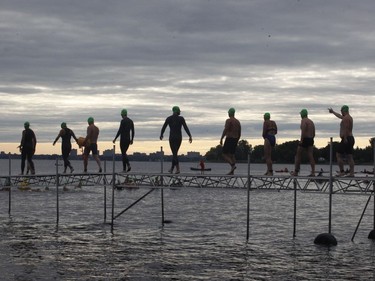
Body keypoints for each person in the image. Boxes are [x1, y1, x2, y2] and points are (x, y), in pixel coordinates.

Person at [160, 106, 192, 174]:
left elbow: (163, 127)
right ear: (177, 111)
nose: (180, 112)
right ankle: (172, 169)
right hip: (179, 138)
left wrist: (161, 134)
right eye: (179, 111)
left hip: (172, 138)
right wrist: (190, 135)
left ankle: (177, 169)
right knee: (175, 153)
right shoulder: (181, 119)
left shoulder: (169, 118)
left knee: (174, 153)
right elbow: (185, 127)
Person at [328, 105, 355, 177]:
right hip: (351, 138)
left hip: (346, 138)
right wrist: (333, 112)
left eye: (341, 111)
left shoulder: (346, 118)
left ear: (344, 110)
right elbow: (339, 116)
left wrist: (345, 138)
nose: (341, 112)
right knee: (349, 156)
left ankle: (342, 171)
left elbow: (346, 128)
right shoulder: (349, 117)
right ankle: (352, 173)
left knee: (338, 154)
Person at [291, 109, 316, 176]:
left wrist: (301, 140)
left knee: (298, 155)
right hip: (311, 139)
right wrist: (311, 138)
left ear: (302, 114)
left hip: (305, 139)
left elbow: (303, 131)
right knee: (310, 155)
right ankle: (313, 172)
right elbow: (314, 133)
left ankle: (296, 171)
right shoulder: (311, 121)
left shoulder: (303, 121)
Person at [220, 108, 241, 175]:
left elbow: (226, 129)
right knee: (232, 155)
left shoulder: (229, 120)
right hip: (235, 138)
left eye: (228, 113)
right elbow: (239, 132)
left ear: (230, 113)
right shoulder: (237, 122)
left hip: (229, 138)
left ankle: (232, 165)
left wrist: (221, 138)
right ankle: (232, 172)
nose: (228, 114)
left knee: (224, 154)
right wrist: (237, 139)